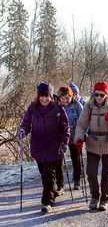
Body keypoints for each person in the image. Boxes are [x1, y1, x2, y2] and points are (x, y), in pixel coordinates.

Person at [18, 82, 70, 213]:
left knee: (48, 174)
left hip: (54, 146)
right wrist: (22, 131)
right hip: (38, 147)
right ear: (38, 96)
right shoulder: (32, 108)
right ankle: (50, 193)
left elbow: (66, 127)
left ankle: (47, 202)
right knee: (44, 175)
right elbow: (26, 123)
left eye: (46, 96)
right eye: (41, 96)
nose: (44, 99)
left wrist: (65, 142)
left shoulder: (58, 108)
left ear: (50, 95)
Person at [74, 81, 108, 211]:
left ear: (107, 94)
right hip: (93, 141)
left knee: (107, 174)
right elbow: (81, 124)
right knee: (91, 172)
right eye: (96, 94)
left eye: (102, 95)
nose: (99, 97)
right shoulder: (89, 106)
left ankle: (104, 199)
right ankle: (95, 196)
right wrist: (79, 138)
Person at [58, 86, 83, 191]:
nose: (65, 100)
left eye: (67, 98)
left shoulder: (77, 105)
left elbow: (83, 120)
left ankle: (77, 180)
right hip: (61, 137)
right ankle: (60, 184)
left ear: (71, 96)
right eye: (63, 98)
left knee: (76, 159)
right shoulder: (58, 107)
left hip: (74, 136)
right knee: (59, 161)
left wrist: (83, 136)